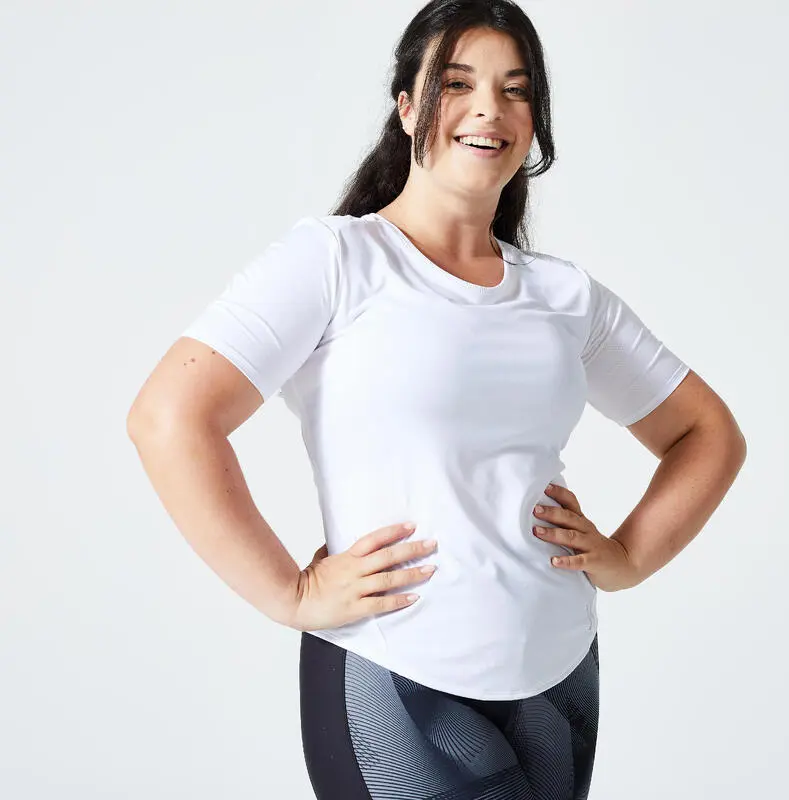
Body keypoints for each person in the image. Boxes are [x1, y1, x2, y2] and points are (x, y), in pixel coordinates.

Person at [127, 2, 747, 798]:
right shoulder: (337, 261)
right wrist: (288, 591)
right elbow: (169, 417)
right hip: (394, 666)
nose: (490, 108)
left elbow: (707, 432)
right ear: (407, 107)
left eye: (515, 89)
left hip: (559, 668)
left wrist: (628, 557)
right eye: (457, 83)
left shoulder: (563, 295)